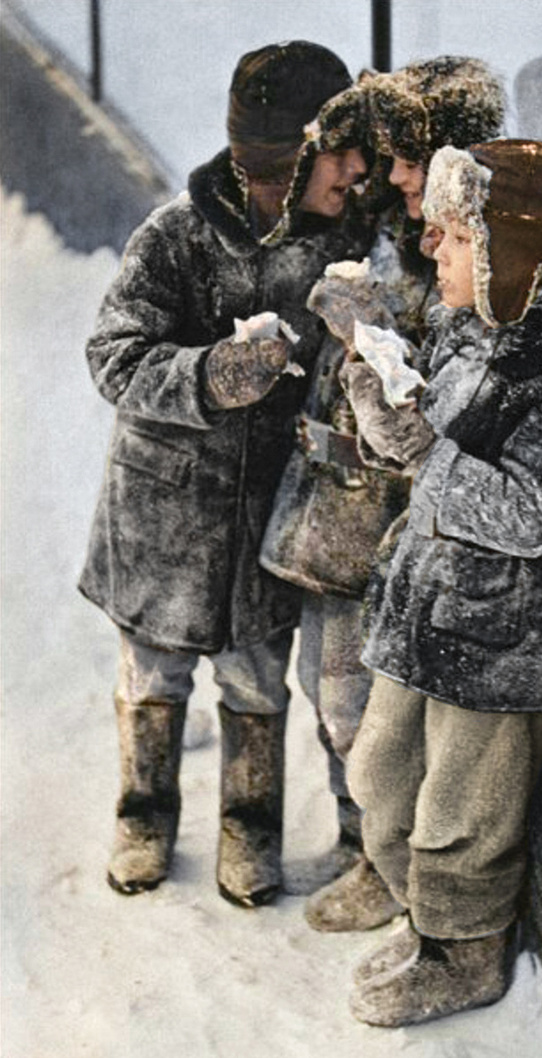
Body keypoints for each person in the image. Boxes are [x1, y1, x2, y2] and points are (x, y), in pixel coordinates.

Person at [79, 41, 373, 906]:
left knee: (254, 680)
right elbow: (112, 356)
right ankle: (142, 812)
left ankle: (252, 830)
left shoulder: (340, 242)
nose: (356, 169)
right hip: (160, 524)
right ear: (287, 157)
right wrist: (207, 376)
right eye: (339, 150)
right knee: (154, 676)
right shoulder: (175, 236)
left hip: (265, 526)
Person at [339, 140, 542, 1026]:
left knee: (463, 817)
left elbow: (536, 515)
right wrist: (385, 405)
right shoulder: (478, 320)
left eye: (452, 238)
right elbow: (437, 445)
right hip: (426, 605)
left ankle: (462, 953)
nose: (432, 252)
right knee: (380, 778)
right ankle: (423, 921)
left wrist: (427, 453)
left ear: (512, 251)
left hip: (502, 633)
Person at [260, 56, 505, 930]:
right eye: (389, 157)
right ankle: (363, 841)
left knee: (363, 715)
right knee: (333, 706)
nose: (391, 174)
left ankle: (384, 861)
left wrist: (371, 332)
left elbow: (434, 420)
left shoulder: (471, 263)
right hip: (335, 513)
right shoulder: (390, 221)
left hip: (394, 527)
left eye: (409, 156)